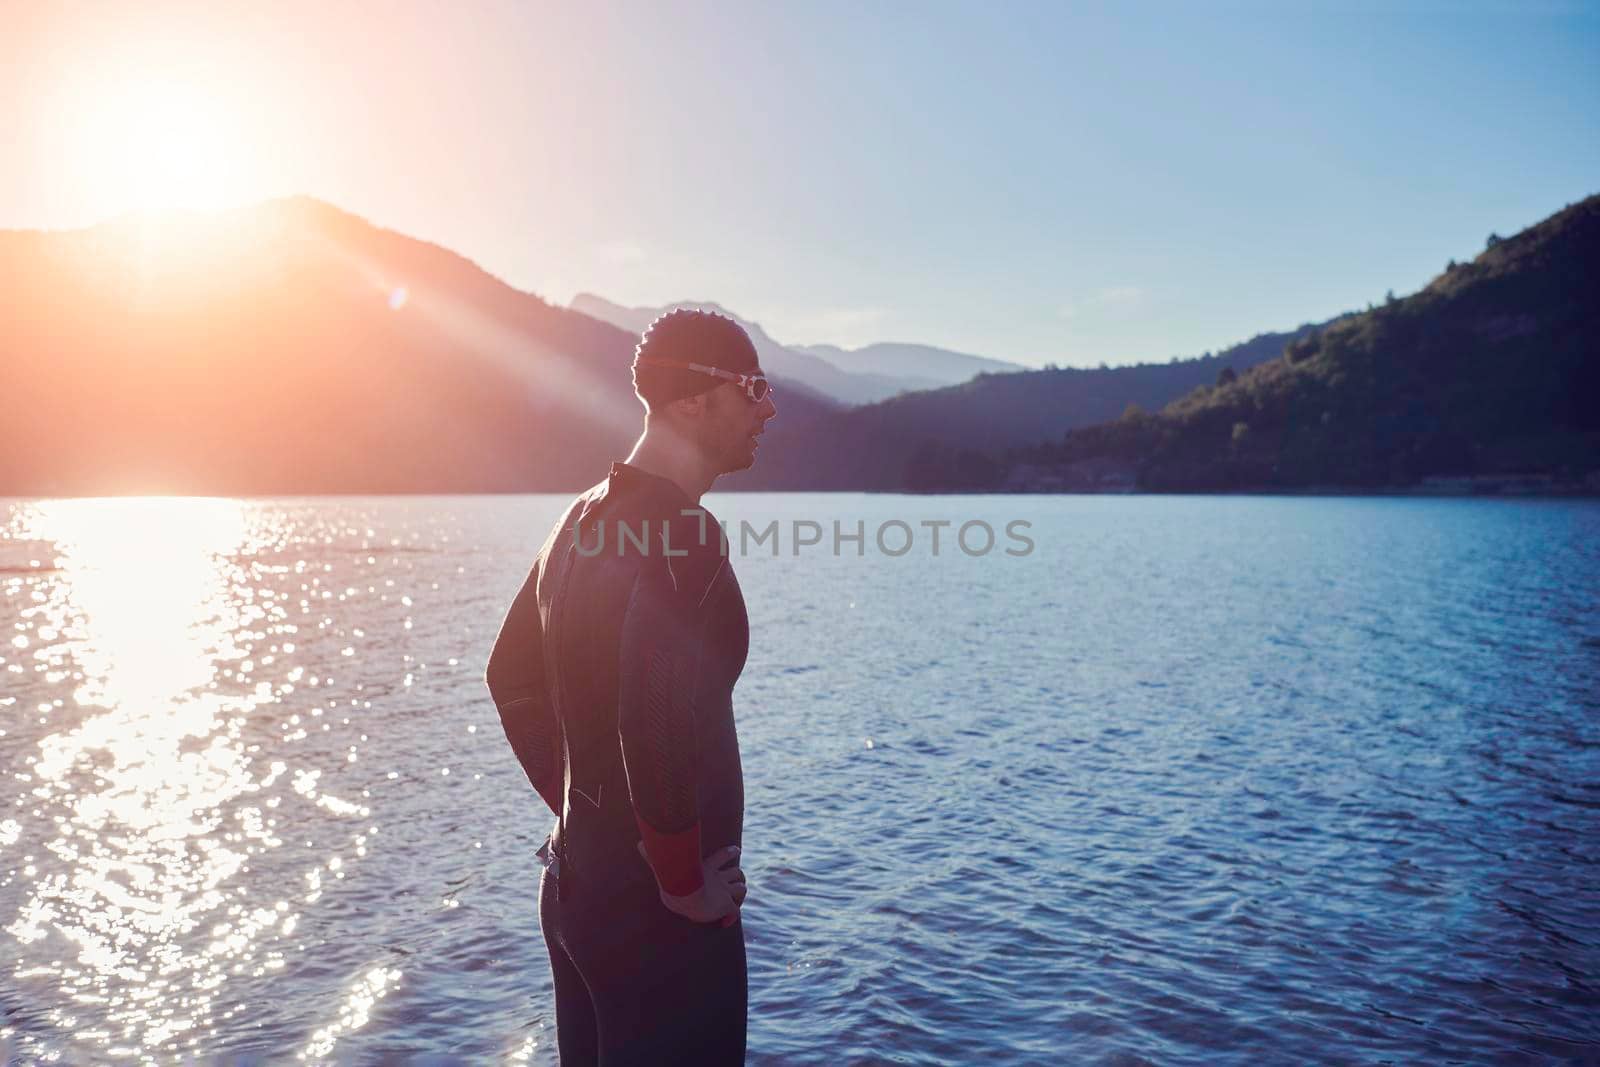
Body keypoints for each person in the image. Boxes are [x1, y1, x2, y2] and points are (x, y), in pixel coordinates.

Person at [485, 309, 777, 1065]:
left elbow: (509, 677)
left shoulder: (581, 519)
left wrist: (588, 817)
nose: (767, 408)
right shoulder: (684, 533)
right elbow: (656, 706)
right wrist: (680, 880)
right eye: (753, 387)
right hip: (661, 917)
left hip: (578, 889)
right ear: (693, 399)